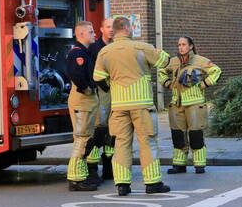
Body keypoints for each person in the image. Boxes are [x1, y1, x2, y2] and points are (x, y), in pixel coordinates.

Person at [92, 16, 171, 196]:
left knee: (121, 144)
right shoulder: (142, 47)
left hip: (119, 105)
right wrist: (158, 53)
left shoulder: (105, 52)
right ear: (127, 29)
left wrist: (113, 85)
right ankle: (152, 183)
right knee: (147, 141)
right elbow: (165, 61)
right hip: (141, 104)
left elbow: (97, 77)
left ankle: (122, 184)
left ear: (116, 29)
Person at [159, 36, 222, 174]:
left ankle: (199, 165)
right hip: (176, 105)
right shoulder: (174, 61)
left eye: (183, 44)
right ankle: (179, 165)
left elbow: (217, 71)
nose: (180, 47)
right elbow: (161, 71)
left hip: (194, 104)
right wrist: (167, 84)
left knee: (196, 135)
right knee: (178, 135)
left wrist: (204, 84)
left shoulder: (200, 60)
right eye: (179, 44)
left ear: (191, 46)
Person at [64, 21, 99, 192]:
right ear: (82, 34)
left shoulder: (84, 53)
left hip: (86, 101)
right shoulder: (77, 53)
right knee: (82, 138)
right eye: (91, 32)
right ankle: (75, 179)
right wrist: (87, 88)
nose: (95, 35)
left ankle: (81, 176)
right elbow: (76, 74)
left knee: (85, 138)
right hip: (82, 101)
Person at [86, 17, 115, 182]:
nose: (111, 30)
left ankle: (109, 168)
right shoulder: (94, 48)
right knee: (99, 131)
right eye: (108, 27)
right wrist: (102, 88)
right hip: (101, 94)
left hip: (116, 95)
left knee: (113, 133)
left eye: (113, 27)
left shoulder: (116, 48)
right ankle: (92, 168)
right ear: (101, 29)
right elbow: (92, 73)